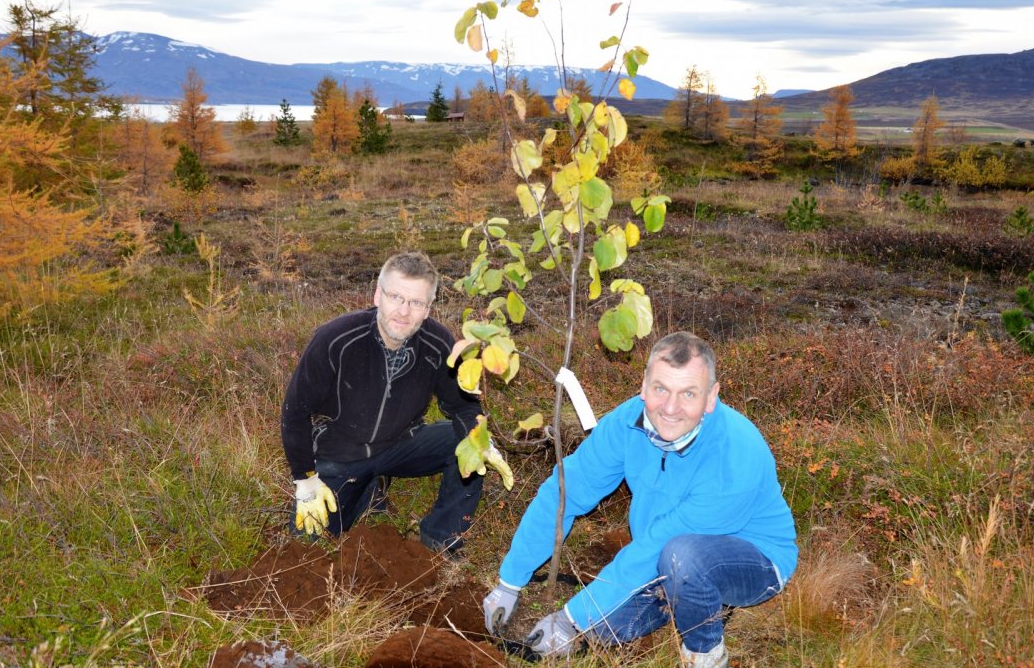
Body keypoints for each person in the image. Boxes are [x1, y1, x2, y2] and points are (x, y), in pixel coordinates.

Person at [482, 331, 797, 668]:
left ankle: (705, 654)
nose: (671, 408)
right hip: (660, 552)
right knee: (608, 626)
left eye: (688, 393)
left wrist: (571, 619)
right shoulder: (628, 422)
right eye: (661, 389)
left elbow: (661, 544)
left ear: (711, 397)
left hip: (753, 559)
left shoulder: (736, 453)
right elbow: (566, 490)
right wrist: (510, 581)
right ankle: (688, 598)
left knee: (682, 559)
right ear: (644, 386)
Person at [281, 251, 512, 555]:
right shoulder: (335, 339)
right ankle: (367, 488)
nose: (404, 311)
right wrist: (305, 479)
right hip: (341, 455)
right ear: (377, 295)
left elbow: (462, 406)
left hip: (402, 444)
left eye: (416, 303)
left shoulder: (438, 343)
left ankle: (441, 536)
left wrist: (478, 439)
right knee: (310, 544)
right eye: (395, 297)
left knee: (465, 441)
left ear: (428, 309)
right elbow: (295, 411)